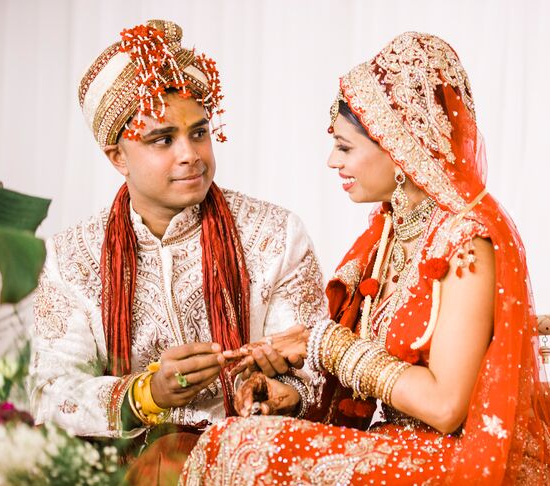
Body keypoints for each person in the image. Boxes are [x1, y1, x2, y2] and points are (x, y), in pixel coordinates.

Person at [182, 32, 550, 484]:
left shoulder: (466, 243)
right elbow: (366, 385)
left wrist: (324, 344)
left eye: (345, 147)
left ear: (400, 148)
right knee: (233, 438)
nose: (331, 161)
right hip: (400, 446)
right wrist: (290, 401)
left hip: (460, 457)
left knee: (242, 448)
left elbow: (444, 408)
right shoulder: (388, 236)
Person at [27, 19, 327, 483]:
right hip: (119, 471)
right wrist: (147, 394)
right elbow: (49, 393)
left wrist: (279, 391)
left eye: (199, 132)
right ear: (117, 157)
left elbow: (319, 372)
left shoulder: (273, 235)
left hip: (251, 462)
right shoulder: (73, 257)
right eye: (163, 139)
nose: (190, 154)